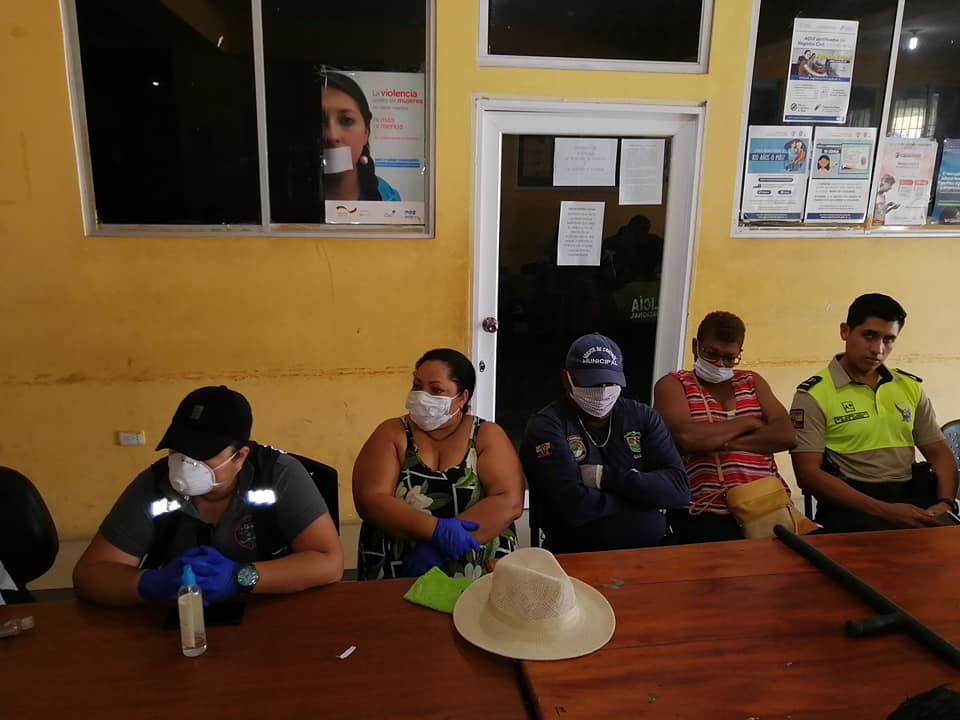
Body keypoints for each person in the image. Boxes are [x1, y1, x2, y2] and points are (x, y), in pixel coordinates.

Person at [73, 386, 343, 606]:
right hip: (184, 619)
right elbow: (90, 574)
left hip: (271, 611)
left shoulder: (277, 475)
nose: (186, 463)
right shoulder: (155, 485)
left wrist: (241, 577)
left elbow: (329, 562)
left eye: (202, 453)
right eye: (179, 450)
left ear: (239, 457)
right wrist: (150, 583)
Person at [790, 294, 959, 532]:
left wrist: (945, 503)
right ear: (845, 331)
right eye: (869, 335)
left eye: (888, 339)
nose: (878, 349)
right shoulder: (814, 394)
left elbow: (939, 454)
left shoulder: (908, 386)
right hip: (852, 511)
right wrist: (886, 512)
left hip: (912, 501)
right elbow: (808, 475)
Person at [353, 348, 523, 580]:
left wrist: (440, 546)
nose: (422, 396)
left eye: (436, 390)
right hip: (398, 566)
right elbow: (371, 499)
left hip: (475, 569)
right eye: (417, 386)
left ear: (462, 397)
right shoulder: (392, 433)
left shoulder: (485, 435)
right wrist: (435, 530)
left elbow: (509, 500)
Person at [519, 333, 689, 553]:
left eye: (610, 382)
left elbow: (678, 489)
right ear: (566, 379)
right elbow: (570, 506)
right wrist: (647, 500)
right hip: (579, 554)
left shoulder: (642, 417)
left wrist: (604, 477)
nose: (602, 391)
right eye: (592, 382)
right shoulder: (547, 425)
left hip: (651, 551)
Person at [654, 312, 797, 542]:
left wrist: (720, 441)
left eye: (730, 358)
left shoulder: (751, 381)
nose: (720, 364)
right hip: (705, 509)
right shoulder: (674, 385)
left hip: (766, 505)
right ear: (695, 346)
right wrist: (747, 423)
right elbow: (687, 438)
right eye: (711, 354)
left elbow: (786, 435)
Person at [320, 71, 401, 202]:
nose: (332, 135)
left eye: (346, 121)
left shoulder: (389, 199)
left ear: (366, 133)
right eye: (319, 121)